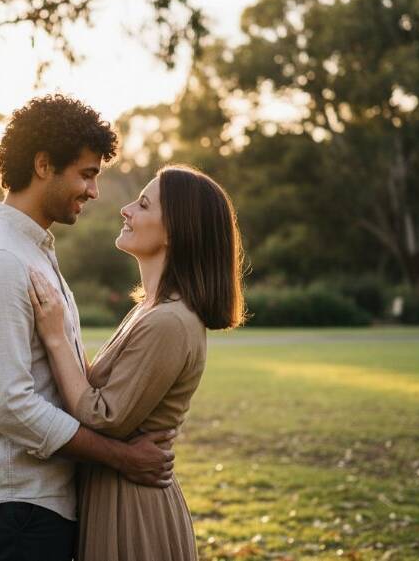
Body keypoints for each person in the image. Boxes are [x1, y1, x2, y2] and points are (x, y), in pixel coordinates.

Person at [0, 94, 177, 561]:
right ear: (43, 164)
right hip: (17, 507)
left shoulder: (31, 250)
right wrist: (122, 457)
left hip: (40, 504)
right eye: (87, 173)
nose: (94, 191)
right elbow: (10, 405)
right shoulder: (0, 260)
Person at [28, 164, 246, 561]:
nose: (125, 209)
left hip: (133, 512)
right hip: (113, 495)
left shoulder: (170, 321)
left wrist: (56, 337)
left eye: (143, 204)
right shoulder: (148, 310)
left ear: (176, 231)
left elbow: (103, 416)